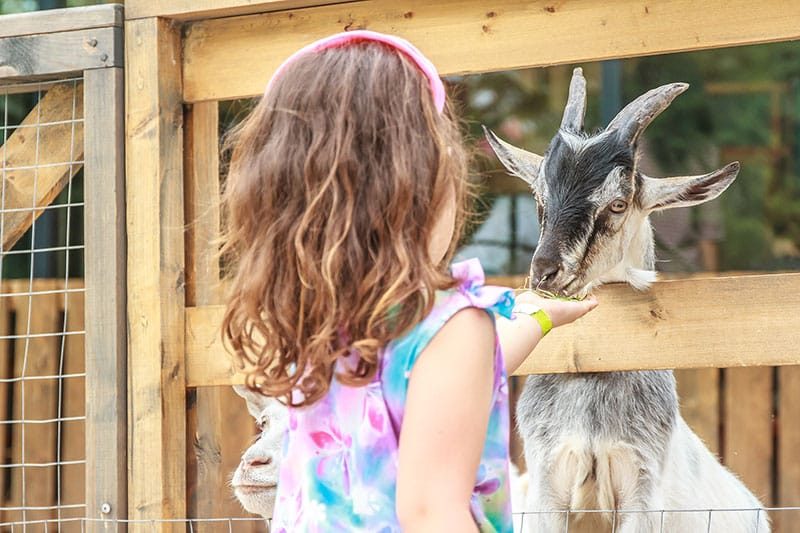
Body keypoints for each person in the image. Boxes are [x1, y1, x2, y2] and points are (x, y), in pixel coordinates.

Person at [221, 30, 598, 533]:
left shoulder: (313, 324)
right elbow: (431, 514)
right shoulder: (452, 330)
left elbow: (443, 383)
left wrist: (540, 316)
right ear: (418, 189)